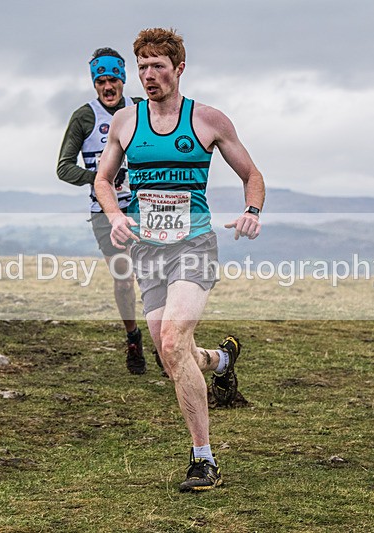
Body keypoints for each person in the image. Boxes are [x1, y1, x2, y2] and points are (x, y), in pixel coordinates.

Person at [94, 28, 265, 492]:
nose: (148, 76)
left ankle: (204, 461)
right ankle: (221, 360)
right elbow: (103, 180)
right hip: (147, 249)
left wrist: (251, 211)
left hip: (193, 245)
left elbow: (252, 174)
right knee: (176, 355)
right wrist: (113, 215)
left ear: (179, 69)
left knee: (171, 340)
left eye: (158, 67)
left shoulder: (207, 120)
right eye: (142, 67)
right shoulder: (126, 123)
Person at [57, 47, 147, 375]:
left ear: (124, 80)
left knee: (155, 276)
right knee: (125, 280)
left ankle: (169, 343)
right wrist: (99, 178)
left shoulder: (143, 108)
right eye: (101, 81)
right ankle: (133, 337)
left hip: (146, 208)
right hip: (105, 214)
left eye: (113, 80)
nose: (108, 87)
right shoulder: (85, 117)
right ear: (95, 84)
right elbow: (64, 168)